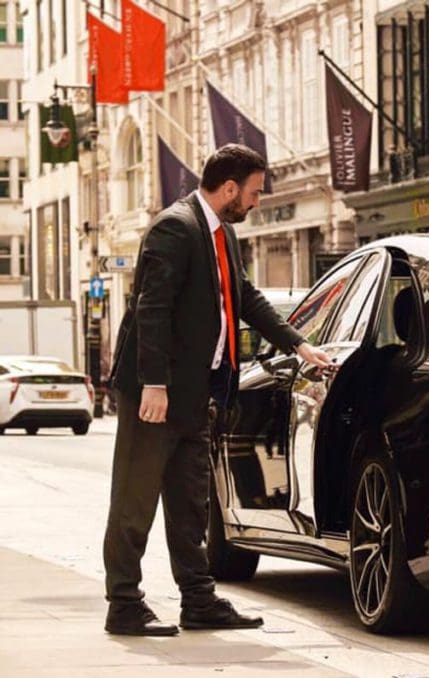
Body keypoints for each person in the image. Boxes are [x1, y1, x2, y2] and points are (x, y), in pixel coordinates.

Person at [102, 144, 334, 636]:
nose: (255, 202)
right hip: (156, 392)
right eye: (252, 192)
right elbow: (152, 309)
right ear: (229, 188)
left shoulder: (220, 233)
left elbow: (244, 297)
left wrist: (298, 345)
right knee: (135, 499)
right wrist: (154, 383)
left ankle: (198, 601)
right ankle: (123, 604)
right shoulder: (176, 227)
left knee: (190, 503)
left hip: (195, 391)